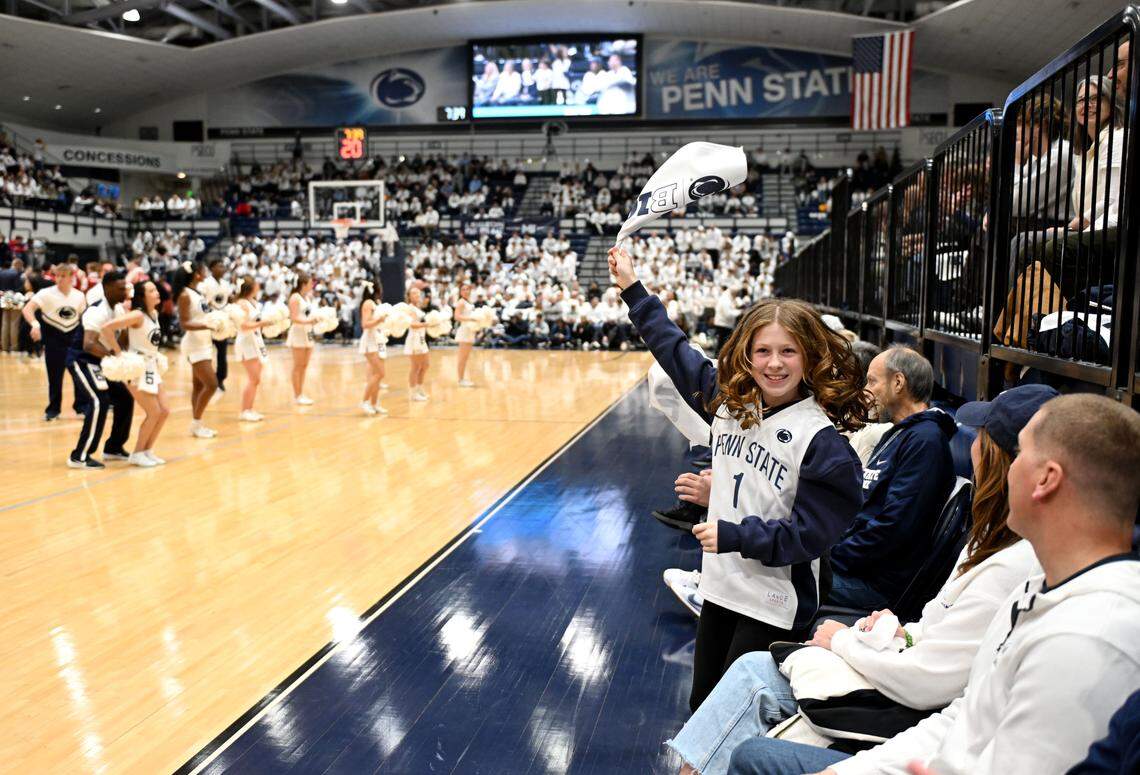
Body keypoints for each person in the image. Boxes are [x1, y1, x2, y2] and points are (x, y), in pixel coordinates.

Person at [727, 394, 1140, 775]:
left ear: (1046, 479)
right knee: (756, 753)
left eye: (1022, 455)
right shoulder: (1037, 589)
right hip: (923, 755)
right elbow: (962, 717)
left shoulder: (1084, 639)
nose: (1006, 468)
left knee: (756, 759)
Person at [666, 385, 1056, 775]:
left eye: (982, 437)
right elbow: (939, 630)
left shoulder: (1013, 564)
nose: (973, 445)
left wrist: (843, 640)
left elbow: (932, 682)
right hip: (901, 660)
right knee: (754, 664)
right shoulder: (989, 539)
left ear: (1004, 460)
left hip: (903, 683)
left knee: (783, 602)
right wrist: (897, 633)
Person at [608, 245, 868, 712]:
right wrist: (632, 289)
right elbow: (675, 350)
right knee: (703, 707)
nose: (774, 363)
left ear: (809, 357)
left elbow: (807, 537)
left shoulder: (825, 445)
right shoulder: (730, 405)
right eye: (762, 351)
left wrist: (732, 532)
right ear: (746, 356)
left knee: (736, 722)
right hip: (720, 586)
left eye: (788, 351)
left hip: (775, 601)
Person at [828, 346, 957, 611]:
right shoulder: (897, 435)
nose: (866, 390)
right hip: (857, 567)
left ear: (898, 382)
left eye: (872, 381)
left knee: (781, 583)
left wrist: (833, 558)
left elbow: (894, 526)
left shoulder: (925, 441)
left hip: (876, 584)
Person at [67, 271, 134, 469]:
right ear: (107, 289)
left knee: (125, 399)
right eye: (120, 288)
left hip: (103, 362)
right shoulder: (96, 311)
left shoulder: (120, 310)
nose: (125, 291)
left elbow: (121, 341)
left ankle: (113, 447)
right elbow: (89, 344)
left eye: (126, 287)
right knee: (98, 401)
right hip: (83, 360)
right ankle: (79, 455)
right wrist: (115, 357)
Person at [100, 281, 170, 467]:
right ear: (142, 296)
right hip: (137, 368)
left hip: (152, 366)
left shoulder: (153, 314)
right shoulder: (137, 315)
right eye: (152, 290)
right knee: (153, 412)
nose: (157, 292)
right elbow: (107, 328)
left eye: (156, 289)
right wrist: (118, 353)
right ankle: (137, 453)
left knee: (164, 411)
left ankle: (147, 450)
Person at [22, 262, 88, 420]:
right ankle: (53, 409)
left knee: (78, 375)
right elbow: (27, 309)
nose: (59, 279)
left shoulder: (79, 295)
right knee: (54, 377)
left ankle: (81, 407)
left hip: (74, 339)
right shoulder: (46, 293)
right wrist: (35, 325)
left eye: (63, 276)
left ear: (71, 277)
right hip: (53, 339)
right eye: (57, 275)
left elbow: (84, 317)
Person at [177, 261, 219, 438]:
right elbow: (184, 323)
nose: (206, 272)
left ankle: (198, 424)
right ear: (196, 274)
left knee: (198, 385)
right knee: (212, 384)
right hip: (194, 344)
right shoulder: (185, 295)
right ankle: (196, 423)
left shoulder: (198, 292)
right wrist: (207, 324)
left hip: (204, 342)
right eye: (203, 270)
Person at [232, 278, 270, 422]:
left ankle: (250, 409)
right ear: (251, 287)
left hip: (256, 341)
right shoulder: (242, 303)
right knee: (253, 378)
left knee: (256, 379)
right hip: (246, 343)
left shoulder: (253, 302)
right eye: (257, 284)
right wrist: (262, 323)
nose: (259, 286)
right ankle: (244, 411)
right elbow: (243, 325)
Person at [199, 258, 232, 395]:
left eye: (224, 266)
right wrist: (211, 316)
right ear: (211, 268)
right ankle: (204, 380)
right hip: (208, 323)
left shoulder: (225, 283)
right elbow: (202, 304)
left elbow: (228, 300)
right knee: (205, 353)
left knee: (222, 353)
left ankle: (220, 380)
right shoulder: (205, 284)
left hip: (222, 323)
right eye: (219, 266)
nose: (222, 269)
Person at [357, 280, 389, 416]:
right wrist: (379, 320)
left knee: (377, 374)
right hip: (370, 342)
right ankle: (364, 401)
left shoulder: (377, 304)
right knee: (379, 373)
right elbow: (365, 324)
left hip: (379, 340)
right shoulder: (368, 303)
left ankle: (374, 404)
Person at [286, 271, 317, 406]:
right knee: (298, 366)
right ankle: (297, 395)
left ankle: (301, 393)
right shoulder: (295, 298)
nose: (312, 285)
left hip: (308, 333)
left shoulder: (307, 298)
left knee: (304, 365)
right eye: (311, 283)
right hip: (298, 333)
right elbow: (293, 318)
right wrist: (309, 321)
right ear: (303, 284)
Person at [404, 285, 431, 401]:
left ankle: (419, 388)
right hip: (414, 339)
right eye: (414, 293)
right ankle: (413, 393)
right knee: (415, 367)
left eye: (418, 293)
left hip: (421, 338)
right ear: (409, 296)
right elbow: (413, 324)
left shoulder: (417, 307)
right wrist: (427, 324)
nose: (417, 295)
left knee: (425, 365)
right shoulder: (409, 308)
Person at [453, 283, 478, 387]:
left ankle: (462, 378)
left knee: (466, 357)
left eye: (467, 289)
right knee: (462, 357)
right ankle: (460, 380)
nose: (466, 291)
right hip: (464, 330)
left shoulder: (469, 302)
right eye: (463, 289)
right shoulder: (461, 302)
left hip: (470, 330)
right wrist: (471, 319)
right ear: (460, 292)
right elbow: (457, 317)